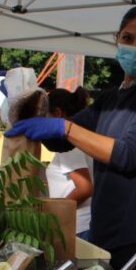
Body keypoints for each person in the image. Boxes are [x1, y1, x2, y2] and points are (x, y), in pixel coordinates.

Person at [5, 5, 136, 270]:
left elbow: (127, 154)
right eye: (127, 38)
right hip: (103, 234)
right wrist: (26, 105)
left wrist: (64, 127)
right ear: (117, 39)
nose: (134, 47)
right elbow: (61, 142)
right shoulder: (112, 98)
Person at [45, 87, 94, 240]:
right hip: (81, 225)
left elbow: (85, 188)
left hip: (77, 226)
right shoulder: (83, 138)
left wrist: (56, 213)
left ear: (58, 113)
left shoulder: (69, 145)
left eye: (46, 118)